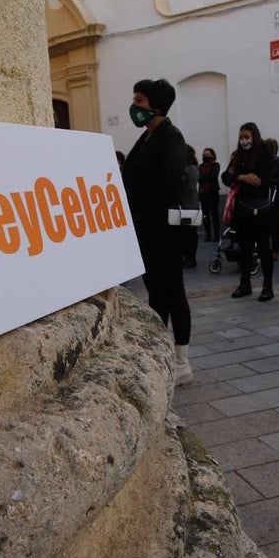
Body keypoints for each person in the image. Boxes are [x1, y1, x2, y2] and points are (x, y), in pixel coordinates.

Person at [122, 78, 195, 384]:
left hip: (166, 232)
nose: (134, 107)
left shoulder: (171, 138)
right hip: (147, 230)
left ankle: (183, 362)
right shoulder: (145, 139)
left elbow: (166, 185)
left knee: (173, 291)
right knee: (156, 292)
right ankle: (162, 352)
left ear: (155, 105)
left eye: (139, 101)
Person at [221, 122, 276, 302]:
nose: (244, 141)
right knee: (244, 248)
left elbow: (269, 176)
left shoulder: (264, 152)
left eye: (247, 137)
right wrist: (241, 177)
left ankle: (267, 286)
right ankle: (245, 284)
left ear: (254, 136)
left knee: (263, 247)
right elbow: (226, 176)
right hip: (243, 208)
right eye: (241, 137)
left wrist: (256, 178)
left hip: (261, 207)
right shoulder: (237, 156)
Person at [182, 144, 200, 269]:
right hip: (191, 204)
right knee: (190, 233)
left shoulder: (189, 169)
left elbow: (186, 186)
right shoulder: (194, 168)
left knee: (189, 234)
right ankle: (189, 257)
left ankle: (190, 258)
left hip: (187, 204)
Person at [198, 148, 221, 243]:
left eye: (208, 154)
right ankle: (208, 235)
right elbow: (198, 178)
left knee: (214, 214)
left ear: (212, 155)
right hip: (203, 193)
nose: (205, 156)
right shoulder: (200, 166)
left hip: (213, 193)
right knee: (205, 215)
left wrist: (204, 177)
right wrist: (206, 177)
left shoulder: (216, 165)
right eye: (204, 154)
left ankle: (216, 235)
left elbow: (213, 176)